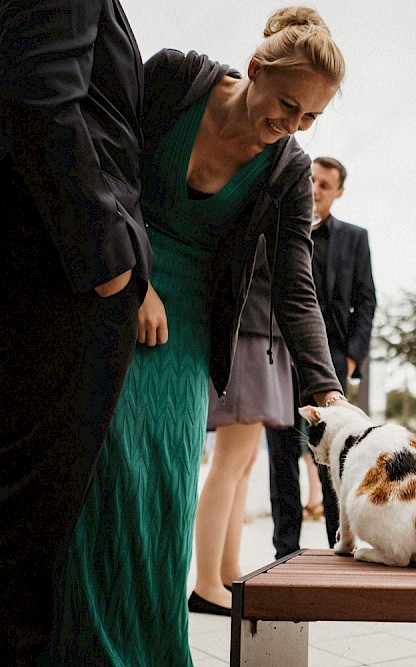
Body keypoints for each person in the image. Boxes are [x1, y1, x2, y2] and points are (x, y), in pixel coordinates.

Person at [42, 7, 352, 664]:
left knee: (166, 486)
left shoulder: (288, 170)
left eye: (310, 119)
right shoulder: (175, 79)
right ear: (255, 69)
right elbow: (103, 161)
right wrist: (130, 279)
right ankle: (82, 648)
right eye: (286, 105)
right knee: (104, 477)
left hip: (188, 333)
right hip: (116, 284)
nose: (290, 127)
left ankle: (152, 650)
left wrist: (326, 386)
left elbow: (297, 282)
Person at [0, 2, 152, 663]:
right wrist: (107, 259)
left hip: (58, 270)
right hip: (59, 275)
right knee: (28, 524)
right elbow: (37, 88)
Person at [268, 155, 377, 557]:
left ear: (339, 192)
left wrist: (350, 360)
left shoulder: (355, 237)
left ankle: (339, 541)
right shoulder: (282, 229)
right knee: (280, 455)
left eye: (324, 185)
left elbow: (367, 302)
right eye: (311, 180)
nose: (314, 189)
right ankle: (285, 550)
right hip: (279, 359)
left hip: (331, 364)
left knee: (337, 456)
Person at [190, 237, 301, 616]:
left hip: (261, 335)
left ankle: (225, 571)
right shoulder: (263, 206)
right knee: (230, 464)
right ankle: (206, 583)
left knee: (242, 464)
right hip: (249, 335)